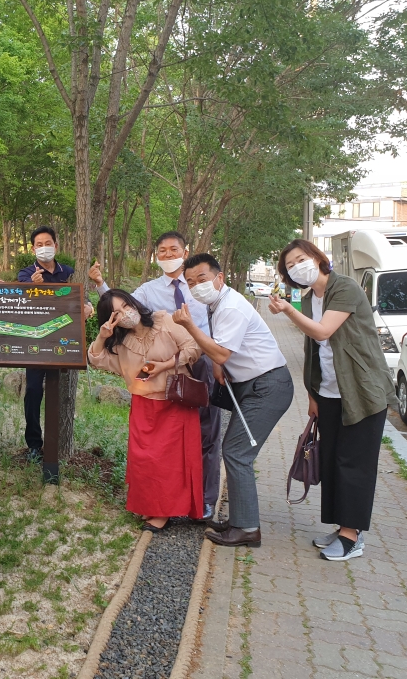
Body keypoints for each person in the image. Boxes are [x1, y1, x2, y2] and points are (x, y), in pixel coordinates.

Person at [270, 239, 396, 562]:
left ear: (316, 257)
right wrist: (313, 394)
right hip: (328, 394)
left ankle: (352, 536)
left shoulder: (345, 289)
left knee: (354, 463)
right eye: (290, 266)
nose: (298, 267)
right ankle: (343, 528)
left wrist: (287, 311)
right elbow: (313, 350)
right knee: (332, 460)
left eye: (301, 259)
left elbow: (323, 332)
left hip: (362, 393)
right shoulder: (312, 297)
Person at [92, 231, 222, 520]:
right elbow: (118, 305)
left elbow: (212, 327)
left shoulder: (201, 285)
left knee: (207, 437)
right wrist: (101, 286)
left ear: (185, 251)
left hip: (199, 361)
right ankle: (167, 504)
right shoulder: (149, 291)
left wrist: (215, 360)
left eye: (173, 249)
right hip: (153, 383)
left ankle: (204, 500)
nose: (167, 254)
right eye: (161, 250)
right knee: (160, 453)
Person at [173, 253, 292, 548]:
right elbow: (223, 353)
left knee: (237, 453)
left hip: (267, 386)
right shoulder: (219, 303)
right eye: (190, 282)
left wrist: (189, 326)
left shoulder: (231, 308)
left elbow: (222, 352)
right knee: (236, 451)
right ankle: (240, 521)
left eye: (201, 279)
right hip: (254, 385)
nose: (196, 286)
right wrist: (218, 364)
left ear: (219, 277)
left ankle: (248, 528)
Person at [89, 290, 203, 530]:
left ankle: (163, 513)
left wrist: (165, 365)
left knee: (168, 462)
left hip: (173, 402)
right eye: (117, 313)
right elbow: (96, 359)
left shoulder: (166, 322)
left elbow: (193, 348)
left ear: (135, 303)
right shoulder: (119, 344)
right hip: (143, 405)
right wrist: (102, 336)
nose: (126, 313)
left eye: (126, 306)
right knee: (144, 461)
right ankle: (149, 506)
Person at [17, 226, 94, 461]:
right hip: (35, 343)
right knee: (32, 391)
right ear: (32, 249)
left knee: (59, 393)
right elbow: (18, 301)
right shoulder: (26, 273)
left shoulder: (68, 272)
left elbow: (81, 296)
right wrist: (32, 286)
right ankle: (33, 444)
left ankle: (56, 444)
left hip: (64, 342)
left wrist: (88, 306)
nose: (43, 248)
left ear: (56, 246)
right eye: (38, 245)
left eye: (47, 243)